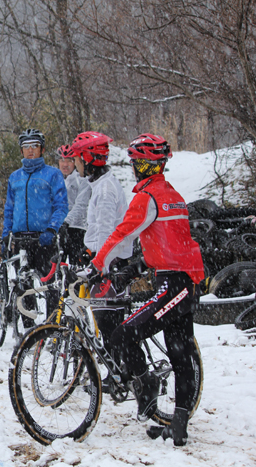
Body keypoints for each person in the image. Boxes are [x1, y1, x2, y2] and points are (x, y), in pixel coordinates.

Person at [87, 133, 204, 446]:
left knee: (123, 335)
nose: (140, 167)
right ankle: (178, 426)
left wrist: (96, 265)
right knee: (180, 354)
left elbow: (121, 233)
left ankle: (147, 385)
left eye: (145, 162)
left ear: (157, 164)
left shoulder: (146, 197)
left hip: (173, 285)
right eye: (138, 161)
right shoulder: (173, 195)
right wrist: (132, 270)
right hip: (183, 281)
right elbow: (166, 245)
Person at [71, 131, 132, 366]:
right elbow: (98, 230)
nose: (75, 164)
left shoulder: (105, 190)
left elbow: (108, 232)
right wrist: (89, 250)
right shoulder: (99, 184)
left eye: (77, 159)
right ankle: (116, 372)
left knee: (109, 323)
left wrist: (100, 265)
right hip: (104, 259)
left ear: (87, 159)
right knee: (105, 321)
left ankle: (120, 372)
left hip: (110, 263)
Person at [2, 128, 68, 324]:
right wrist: (7, 234)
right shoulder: (15, 177)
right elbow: (9, 209)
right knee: (23, 285)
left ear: (42, 149)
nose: (30, 151)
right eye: (26, 147)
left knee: (49, 285)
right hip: (21, 238)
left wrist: (52, 228)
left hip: (44, 237)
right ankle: (29, 328)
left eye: (35, 146)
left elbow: (61, 205)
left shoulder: (53, 175)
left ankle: (51, 327)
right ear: (21, 151)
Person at [56, 145, 90, 266]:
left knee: (77, 268)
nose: (65, 164)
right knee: (56, 268)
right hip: (58, 230)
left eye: (69, 160)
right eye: (62, 160)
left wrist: (66, 222)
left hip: (77, 229)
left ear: (75, 162)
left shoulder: (81, 179)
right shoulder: (55, 180)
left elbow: (81, 205)